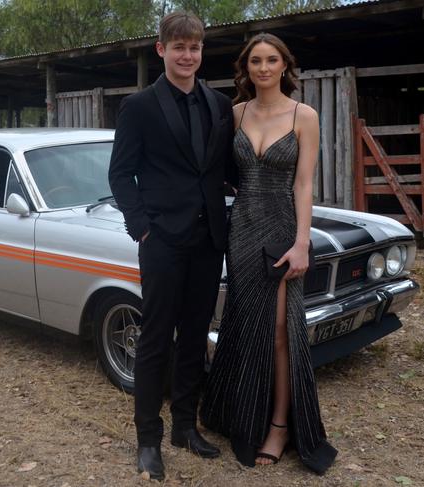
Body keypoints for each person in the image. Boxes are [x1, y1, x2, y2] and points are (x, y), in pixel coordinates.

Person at [199, 33, 338, 474]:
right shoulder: (235, 113)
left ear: (284, 66)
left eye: (271, 60)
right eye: (255, 60)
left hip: (282, 230)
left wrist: (302, 242)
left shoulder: (304, 115)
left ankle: (279, 425)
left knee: (280, 329)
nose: (263, 68)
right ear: (247, 67)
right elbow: (217, 171)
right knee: (244, 323)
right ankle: (244, 414)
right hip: (241, 230)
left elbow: (303, 184)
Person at [108, 11, 239, 481]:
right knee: (156, 339)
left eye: (196, 47)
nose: (188, 55)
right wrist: (142, 228)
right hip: (161, 241)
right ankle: (148, 440)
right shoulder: (139, 107)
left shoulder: (219, 105)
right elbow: (120, 174)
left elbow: (224, 170)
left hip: (208, 240)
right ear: (161, 50)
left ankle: (185, 425)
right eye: (179, 47)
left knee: (195, 336)